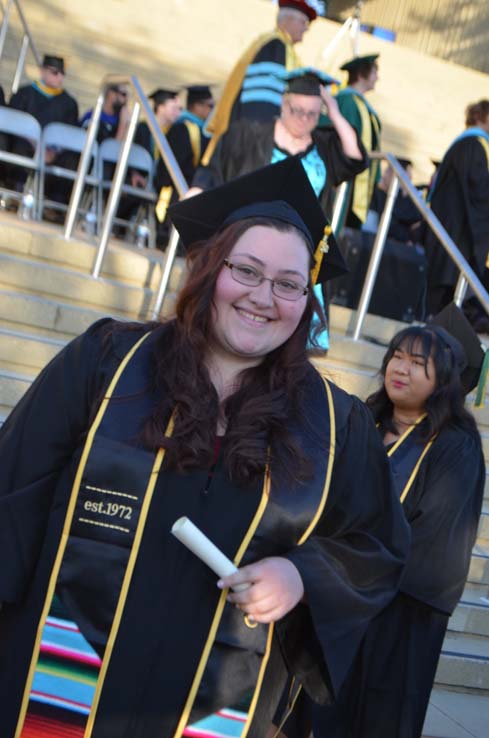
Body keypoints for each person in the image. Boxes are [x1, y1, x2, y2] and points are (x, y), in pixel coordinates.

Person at [0, 157, 409, 738]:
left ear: (307, 301)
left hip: (220, 704)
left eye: (289, 284)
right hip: (62, 679)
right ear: (208, 268)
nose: (264, 297)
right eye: (245, 270)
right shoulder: (108, 364)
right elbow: (12, 489)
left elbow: (376, 546)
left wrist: (303, 576)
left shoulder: (337, 426)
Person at [309, 302, 485, 738]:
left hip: (397, 615)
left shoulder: (454, 447)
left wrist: (355, 567)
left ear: (442, 381)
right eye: (397, 357)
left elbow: (434, 540)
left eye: (417, 363)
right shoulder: (364, 420)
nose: (400, 369)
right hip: (335, 594)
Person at [191, 69, 367, 217]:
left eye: (312, 114)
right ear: (284, 104)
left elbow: (355, 157)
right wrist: (199, 188)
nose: (304, 119)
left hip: (299, 245)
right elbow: (214, 167)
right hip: (246, 232)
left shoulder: (323, 147)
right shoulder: (248, 135)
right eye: (297, 110)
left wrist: (334, 111)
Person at [203, 0, 317, 161]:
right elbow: (263, 104)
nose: (306, 28)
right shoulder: (274, 46)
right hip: (250, 144)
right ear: (287, 20)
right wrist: (263, 146)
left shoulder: (273, 44)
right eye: (303, 22)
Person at [424, 99, 489, 332]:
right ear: (484, 117)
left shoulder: (468, 144)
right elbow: (480, 192)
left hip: (456, 228)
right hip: (459, 231)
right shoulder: (473, 145)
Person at [4, 54, 79, 201]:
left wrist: (53, 151)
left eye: (62, 74)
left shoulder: (69, 104)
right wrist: (38, 146)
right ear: (42, 71)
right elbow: (14, 123)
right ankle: (13, 192)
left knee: (71, 159)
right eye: (55, 73)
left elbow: (69, 133)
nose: (60, 78)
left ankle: (53, 204)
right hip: (26, 146)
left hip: (53, 153)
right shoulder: (24, 94)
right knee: (16, 144)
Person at [327, 54, 381, 229]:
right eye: (374, 72)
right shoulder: (348, 101)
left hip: (356, 181)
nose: (377, 77)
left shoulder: (362, 105)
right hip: (344, 179)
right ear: (361, 74)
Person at [369, 158, 422, 244]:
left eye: (389, 171)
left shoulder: (411, 200)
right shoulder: (378, 195)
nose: (384, 175)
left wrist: (405, 192)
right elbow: (389, 224)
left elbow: (416, 222)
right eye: (387, 171)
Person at [134, 87, 182, 161]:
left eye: (179, 109)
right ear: (161, 107)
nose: (178, 113)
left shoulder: (174, 131)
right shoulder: (142, 128)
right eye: (174, 109)